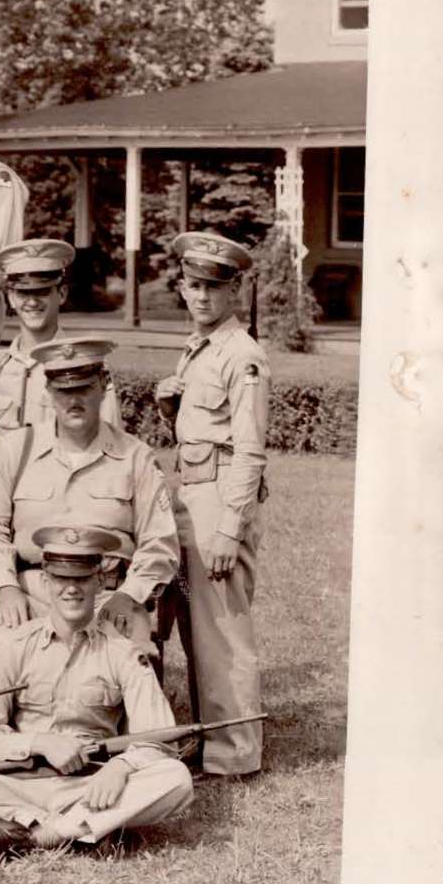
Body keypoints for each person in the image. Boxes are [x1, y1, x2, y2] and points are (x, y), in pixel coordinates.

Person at [0, 525, 196, 854]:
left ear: (100, 581)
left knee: (175, 779)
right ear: (45, 582)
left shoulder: (124, 652)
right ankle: (84, 828)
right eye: (61, 578)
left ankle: (36, 837)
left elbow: (157, 737)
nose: (72, 589)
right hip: (18, 783)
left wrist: (121, 768)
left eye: (82, 578)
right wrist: (39, 743)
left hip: (90, 784)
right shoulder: (13, 646)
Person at [0, 338, 185, 660]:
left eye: (84, 388)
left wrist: (130, 596)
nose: (74, 400)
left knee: (129, 664)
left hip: (108, 593)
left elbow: (160, 542)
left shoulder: (135, 457)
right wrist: (7, 589)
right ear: (48, 392)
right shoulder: (17, 451)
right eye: (63, 391)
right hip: (32, 590)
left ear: (103, 386)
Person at [162, 230, 270, 776]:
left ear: (234, 291)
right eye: (193, 285)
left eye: (213, 287)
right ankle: (211, 738)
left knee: (223, 625)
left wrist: (230, 528)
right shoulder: (198, 346)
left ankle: (236, 753)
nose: (201, 296)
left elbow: (250, 451)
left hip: (221, 495)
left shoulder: (241, 355)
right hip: (192, 491)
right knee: (194, 621)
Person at [0, 239, 111, 472]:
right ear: (11, 298)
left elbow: (111, 445)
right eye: (23, 293)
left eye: (41, 292)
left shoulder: (84, 363)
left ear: (61, 294)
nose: (32, 302)